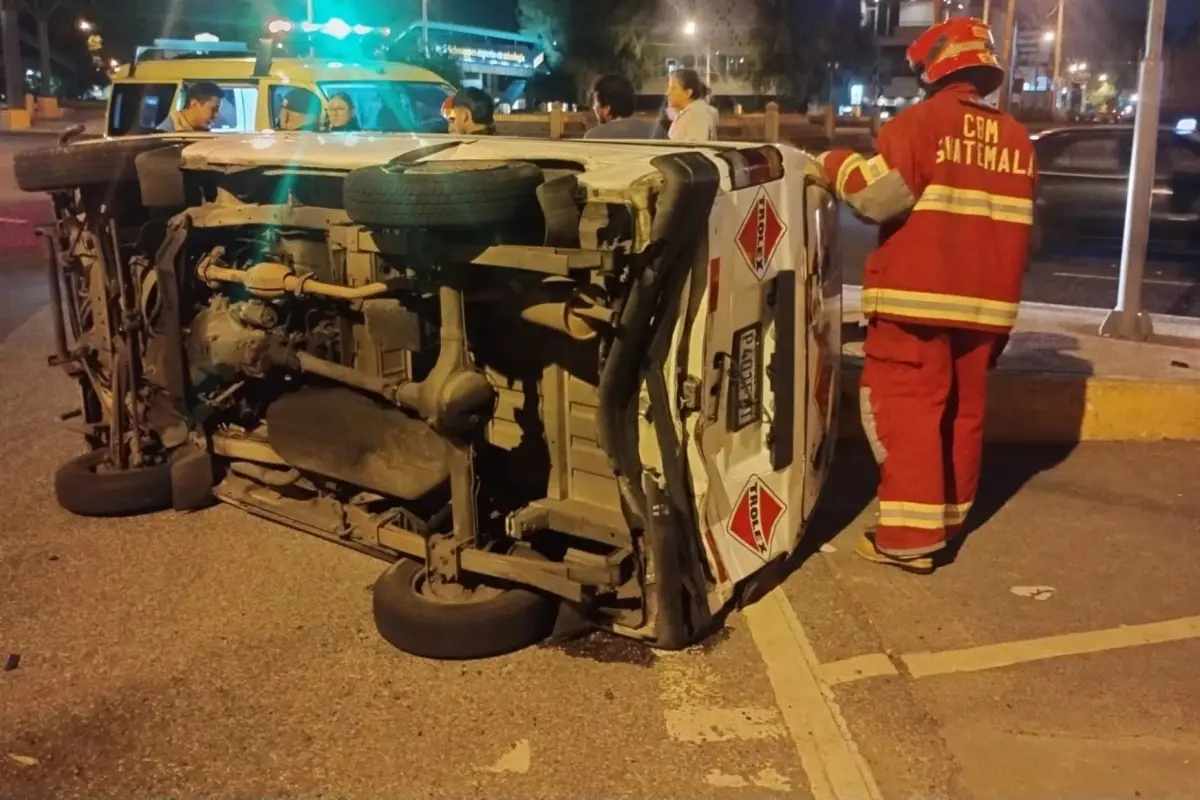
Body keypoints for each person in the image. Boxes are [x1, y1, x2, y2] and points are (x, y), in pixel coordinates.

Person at [817, 17, 1036, 574]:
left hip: (917, 302)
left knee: (907, 410)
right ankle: (948, 519)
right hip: (987, 308)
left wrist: (834, 163)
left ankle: (908, 539)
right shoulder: (1017, 140)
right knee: (963, 414)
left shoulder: (920, 124)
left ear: (935, 64)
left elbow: (875, 199)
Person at [584, 74, 664, 140]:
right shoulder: (657, 131)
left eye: (595, 104)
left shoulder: (594, 137)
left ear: (607, 108)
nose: (594, 108)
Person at [665, 68, 718, 142]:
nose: (667, 93)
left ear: (688, 93)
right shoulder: (689, 113)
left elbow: (694, 149)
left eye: (673, 88)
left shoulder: (697, 115)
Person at [156, 81, 222, 133]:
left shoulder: (201, 130)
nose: (217, 115)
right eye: (214, 109)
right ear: (194, 104)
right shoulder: (165, 135)